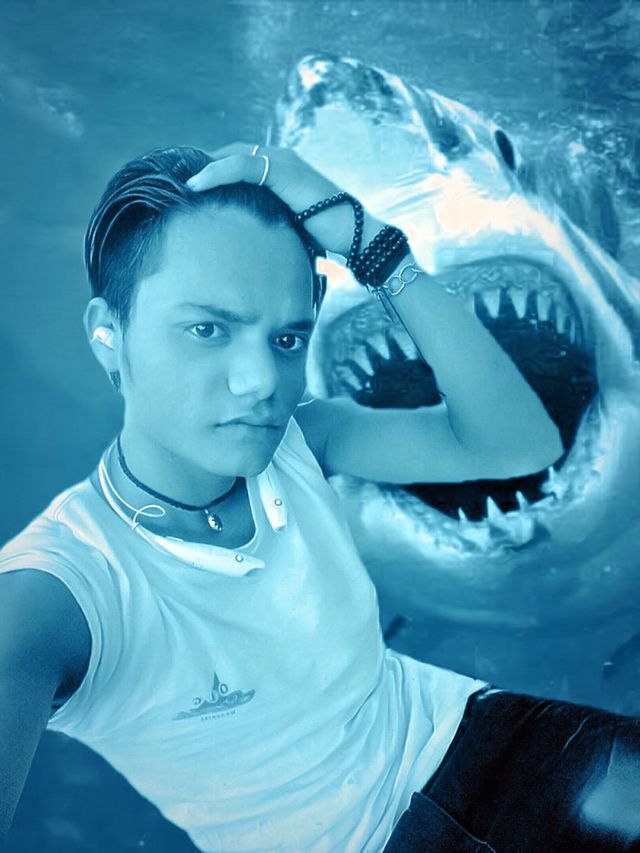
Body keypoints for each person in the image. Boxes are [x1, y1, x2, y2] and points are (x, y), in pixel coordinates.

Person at [0, 142, 637, 853]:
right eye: (207, 329)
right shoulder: (53, 594)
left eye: (286, 338)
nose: (260, 382)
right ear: (106, 336)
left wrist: (374, 246)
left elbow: (520, 445)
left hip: (473, 730)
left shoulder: (304, 440)